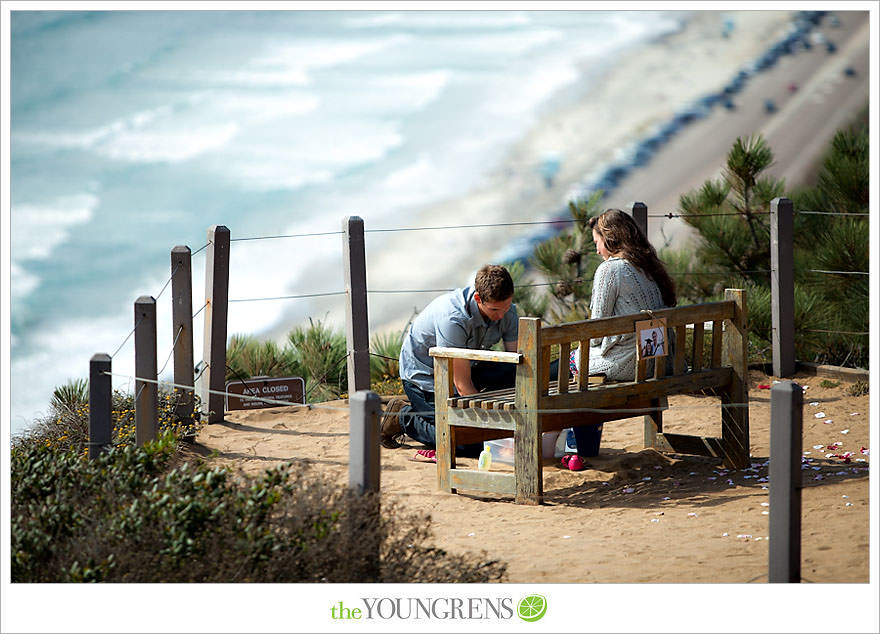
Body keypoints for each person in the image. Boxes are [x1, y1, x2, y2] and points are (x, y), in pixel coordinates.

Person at [567, 209, 677, 455]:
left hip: (633, 365)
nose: (597, 251)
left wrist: (593, 348)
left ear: (610, 239)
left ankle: (582, 448)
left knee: (572, 363)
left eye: (597, 243)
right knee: (578, 363)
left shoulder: (610, 270)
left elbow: (595, 332)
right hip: (661, 361)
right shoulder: (649, 266)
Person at [380, 264, 519, 457]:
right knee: (468, 442)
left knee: (509, 378)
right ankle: (403, 417)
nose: (502, 315)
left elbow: (516, 364)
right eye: (495, 309)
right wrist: (490, 427)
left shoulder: (507, 310)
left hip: (467, 366)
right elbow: (462, 386)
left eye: (506, 307)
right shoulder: (453, 318)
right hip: (426, 378)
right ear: (478, 298)